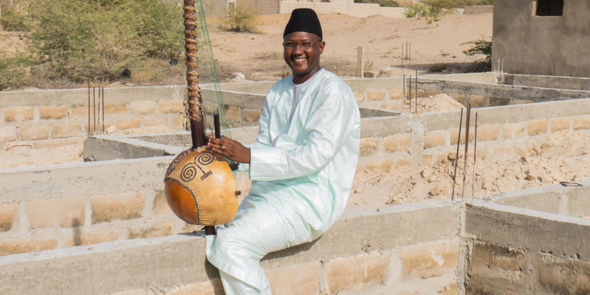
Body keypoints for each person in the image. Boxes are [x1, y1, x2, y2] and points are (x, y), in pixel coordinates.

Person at [206, 8, 360, 294]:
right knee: (216, 234)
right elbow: (265, 146)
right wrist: (230, 156)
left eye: (305, 44)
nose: (297, 51)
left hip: (310, 197)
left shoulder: (332, 92)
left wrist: (249, 156)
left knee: (231, 244)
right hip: (270, 193)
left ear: (320, 47)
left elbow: (314, 156)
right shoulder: (278, 90)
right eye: (290, 44)